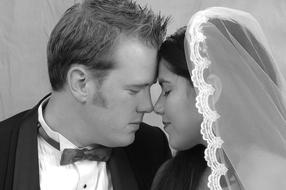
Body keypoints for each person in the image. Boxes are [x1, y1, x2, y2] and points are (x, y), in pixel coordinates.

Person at [0, 0, 171, 190]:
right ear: (80, 83)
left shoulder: (153, 149)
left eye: (149, 87)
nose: (148, 105)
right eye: (134, 90)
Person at [152, 7, 286, 190]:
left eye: (167, 91)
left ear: (210, 90)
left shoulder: (275, 175)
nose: (156, 106)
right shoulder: (171, 176)